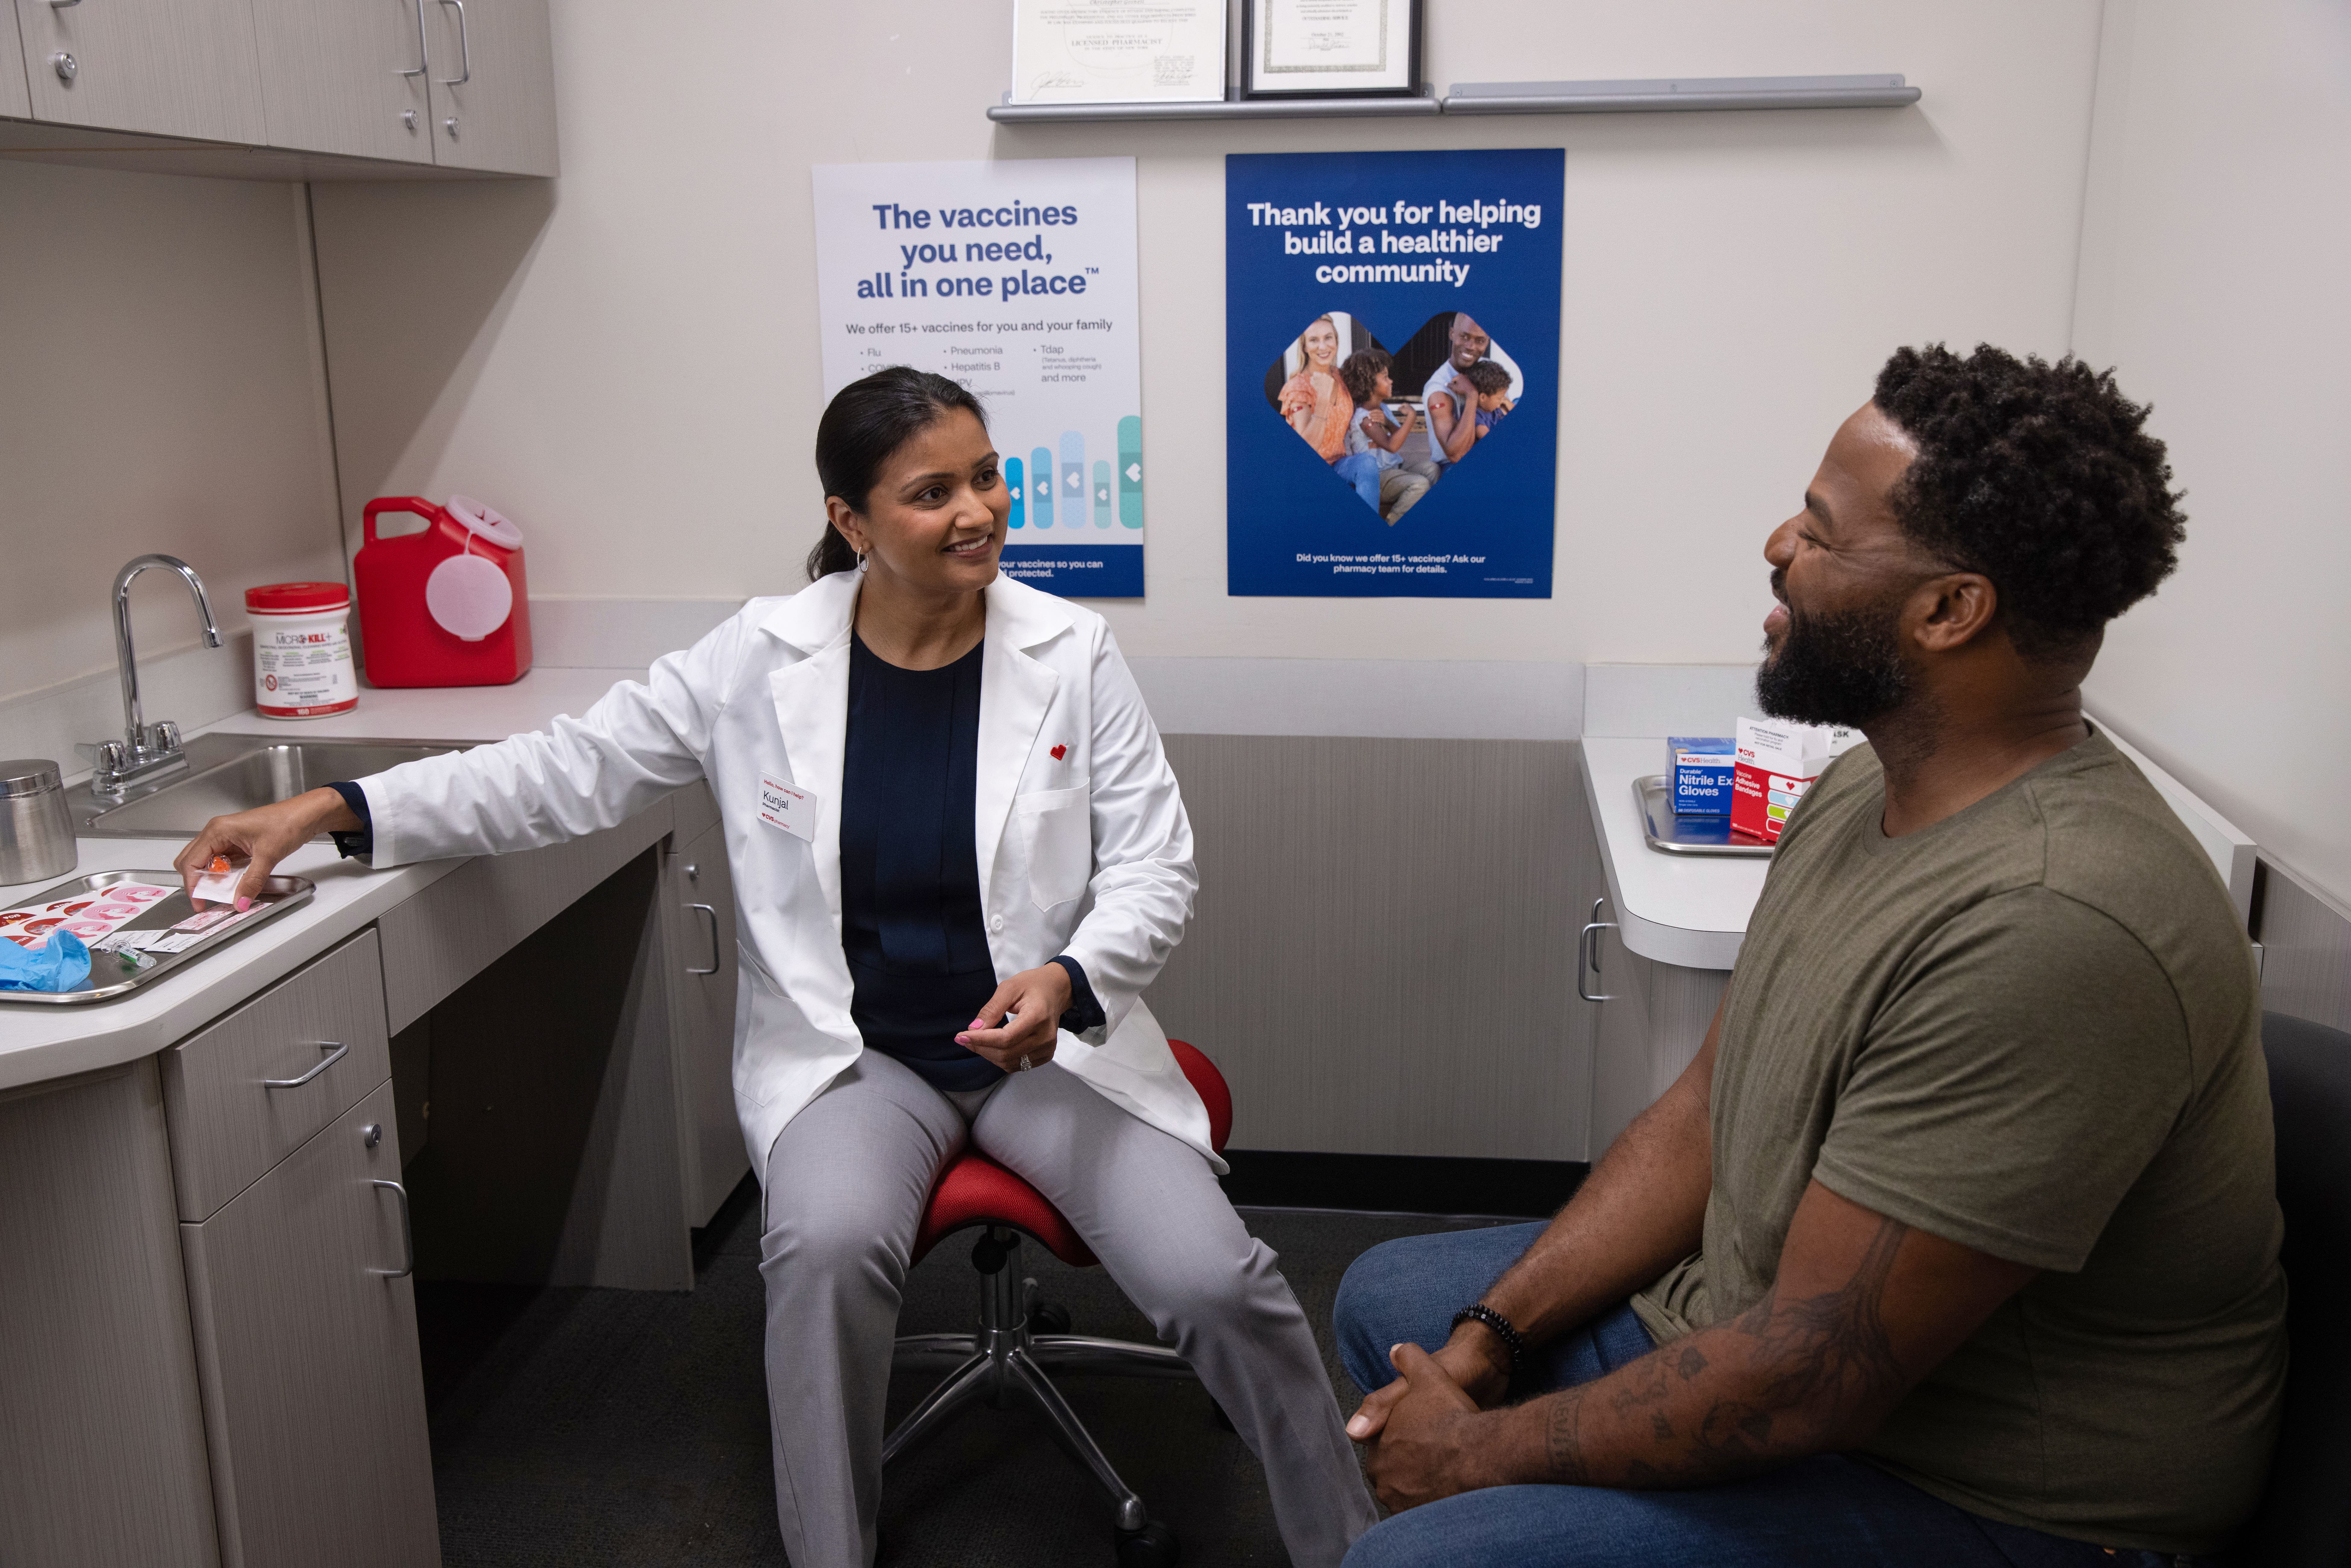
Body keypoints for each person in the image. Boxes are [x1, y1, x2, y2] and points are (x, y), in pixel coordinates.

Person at [172, 367, 1378, 1568]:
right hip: (859, 1061)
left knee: (1221, 1280)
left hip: (1045, 1051)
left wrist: (1066, 978)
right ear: (852, 523)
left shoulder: (1072, 651)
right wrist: (334, 807)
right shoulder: (761, 657)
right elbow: (560, 771)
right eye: (932, 491)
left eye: (987, 474)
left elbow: (1157, 868)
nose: (980, 510)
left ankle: (1352, 1545)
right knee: (821, 1253)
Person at [1333, 343, 2284, 1568]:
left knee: (1417, 1556)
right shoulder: (1859, 788)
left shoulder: (2056, 923)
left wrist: (1469, 1454)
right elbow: (1705, 1118)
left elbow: (1813, 1373)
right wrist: (1485, 1343)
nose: (1780, 541)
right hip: (1780, 1338)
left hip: (1981, 1489)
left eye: (1825, 534)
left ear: (1951, 610)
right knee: (1394, 1305)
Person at [1417, 312, 1522, 478]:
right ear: (1452, 334)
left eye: (1480, 340)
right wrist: (1472, 396)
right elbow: (1456, 456)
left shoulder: (1488, 369)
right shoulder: (1439, 390)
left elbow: (1502, 406)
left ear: (1487, 342)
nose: (1471, 346)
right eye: (1465, 337)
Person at [1336, 348, 1430, 523]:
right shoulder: (1365, 418)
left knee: (1432, 469)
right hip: (1379, 477)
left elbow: (1397, 434)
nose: (1391, 381)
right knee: (1420, 484)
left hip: (1395, 469)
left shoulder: (1383, 408)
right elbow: (1392, 445)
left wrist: (1387, 422)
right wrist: (1412, 418)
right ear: (1369, 383)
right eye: (1386, 377)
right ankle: (1392, 522)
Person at [1279, 314, 1355, 465]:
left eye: (1328, 338)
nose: (1323, 347)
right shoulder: (1298, 388)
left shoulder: (1340, 376)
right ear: (1305, 347)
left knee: (1366, 463)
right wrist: (1322, 399)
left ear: (1336, 341)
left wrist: (1378, 415)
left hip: (1341, 464)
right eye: (1314, 340)